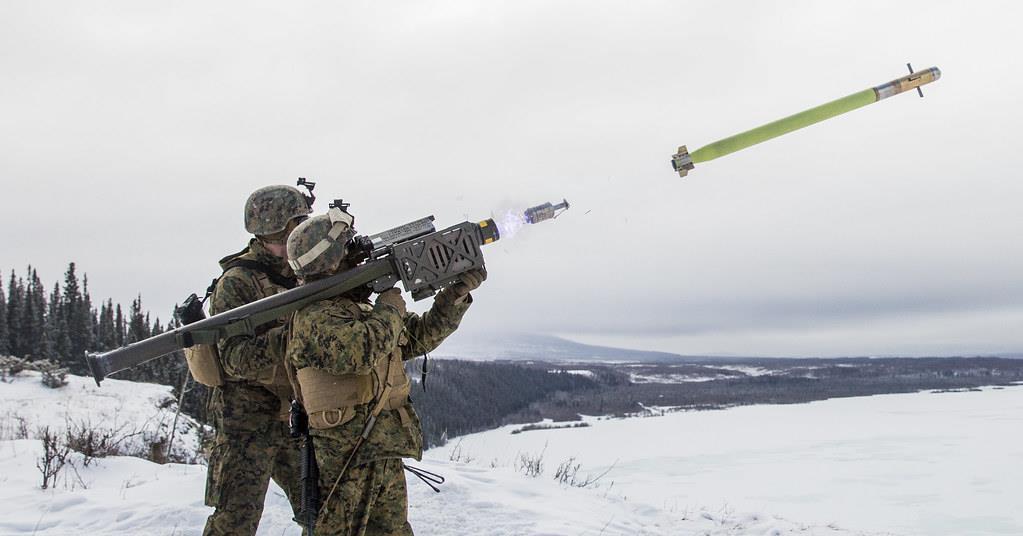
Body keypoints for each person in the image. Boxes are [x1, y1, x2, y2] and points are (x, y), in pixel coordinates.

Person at [284, 206, 485, 535]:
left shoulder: (359, 307)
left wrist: (455, 296)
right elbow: (361, 353)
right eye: (348, 250)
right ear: (329, 261)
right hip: (346, 458)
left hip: (381, 448)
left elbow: (418, 338)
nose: (357, 257)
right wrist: (390, 304)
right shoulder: (314, 316)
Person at [203, 184, 313, 535]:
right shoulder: (237, 283)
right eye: (292, 231)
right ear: (269, 232)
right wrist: (295, 336)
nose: (300, 237)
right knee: (234, 522)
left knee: (322, 508)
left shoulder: (303, 271)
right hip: (245, 422)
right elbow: (235, 358)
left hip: (292, 414)